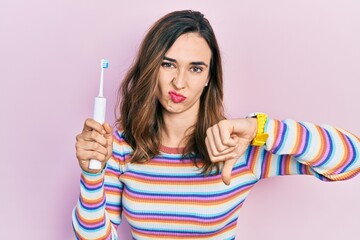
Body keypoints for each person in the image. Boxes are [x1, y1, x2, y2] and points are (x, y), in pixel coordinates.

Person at [72, 10, 360, 240]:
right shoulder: (121, 148)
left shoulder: (237, 148)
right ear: (151, 67)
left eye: (195, 68)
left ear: (209, 76)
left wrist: (261, 129)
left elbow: (351, 160)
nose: (180, 82)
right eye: (168, 64)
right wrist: (91, 174)